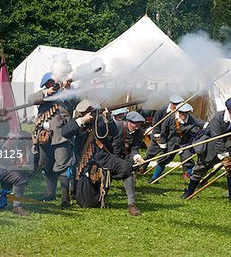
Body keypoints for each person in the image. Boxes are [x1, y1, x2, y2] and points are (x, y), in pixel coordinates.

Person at [62, 102, 144, 215]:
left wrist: (109, 119)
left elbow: (113, 132)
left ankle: (131, 204)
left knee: (127, 168)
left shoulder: (100, 121)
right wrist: (83, 120)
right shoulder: (78, 122)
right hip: (86, 163)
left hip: (104, 157)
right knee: (86, 203)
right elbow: (65, 132)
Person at [181, 98, 231, 204]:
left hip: (228, 144)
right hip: (211, 146)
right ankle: (189, 191)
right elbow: (217, 139)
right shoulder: (218, 118)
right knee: (200, 169)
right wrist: (224, 158)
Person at [28, 72, 76, 207]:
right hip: (44, 138)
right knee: (47, 165)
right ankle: (50, 194)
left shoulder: (66, 95)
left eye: (52, 83)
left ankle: (65, 198)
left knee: (62, 166)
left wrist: (67, 89)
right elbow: (30, 99)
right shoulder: (44, 95)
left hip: (61, 137)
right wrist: (48, 92)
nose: (51, 85)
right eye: (48, 84)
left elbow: (76, 101)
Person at [148, 103, 207, 183]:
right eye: (182, 113)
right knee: (163, 159)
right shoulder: (170, 118)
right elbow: (164, 131)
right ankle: (154, 178)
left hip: (184, 144)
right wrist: (163, 145)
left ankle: (192, 180)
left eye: (186, 113)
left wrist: (210, 125)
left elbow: (202, 123)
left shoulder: (191, 119)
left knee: (188, 160)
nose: (184, 115)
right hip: (171, 142)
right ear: (178, 112)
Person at [143, 95, 184, 174]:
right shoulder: (162, 111)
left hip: (171, 138)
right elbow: (155, 124)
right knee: (149, 155)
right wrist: (159, 138)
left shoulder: (180, 112)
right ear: (172, 103)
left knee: (165, 157)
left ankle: (155, 176)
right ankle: (141, 170)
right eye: (176, 104)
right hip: (159, 137)